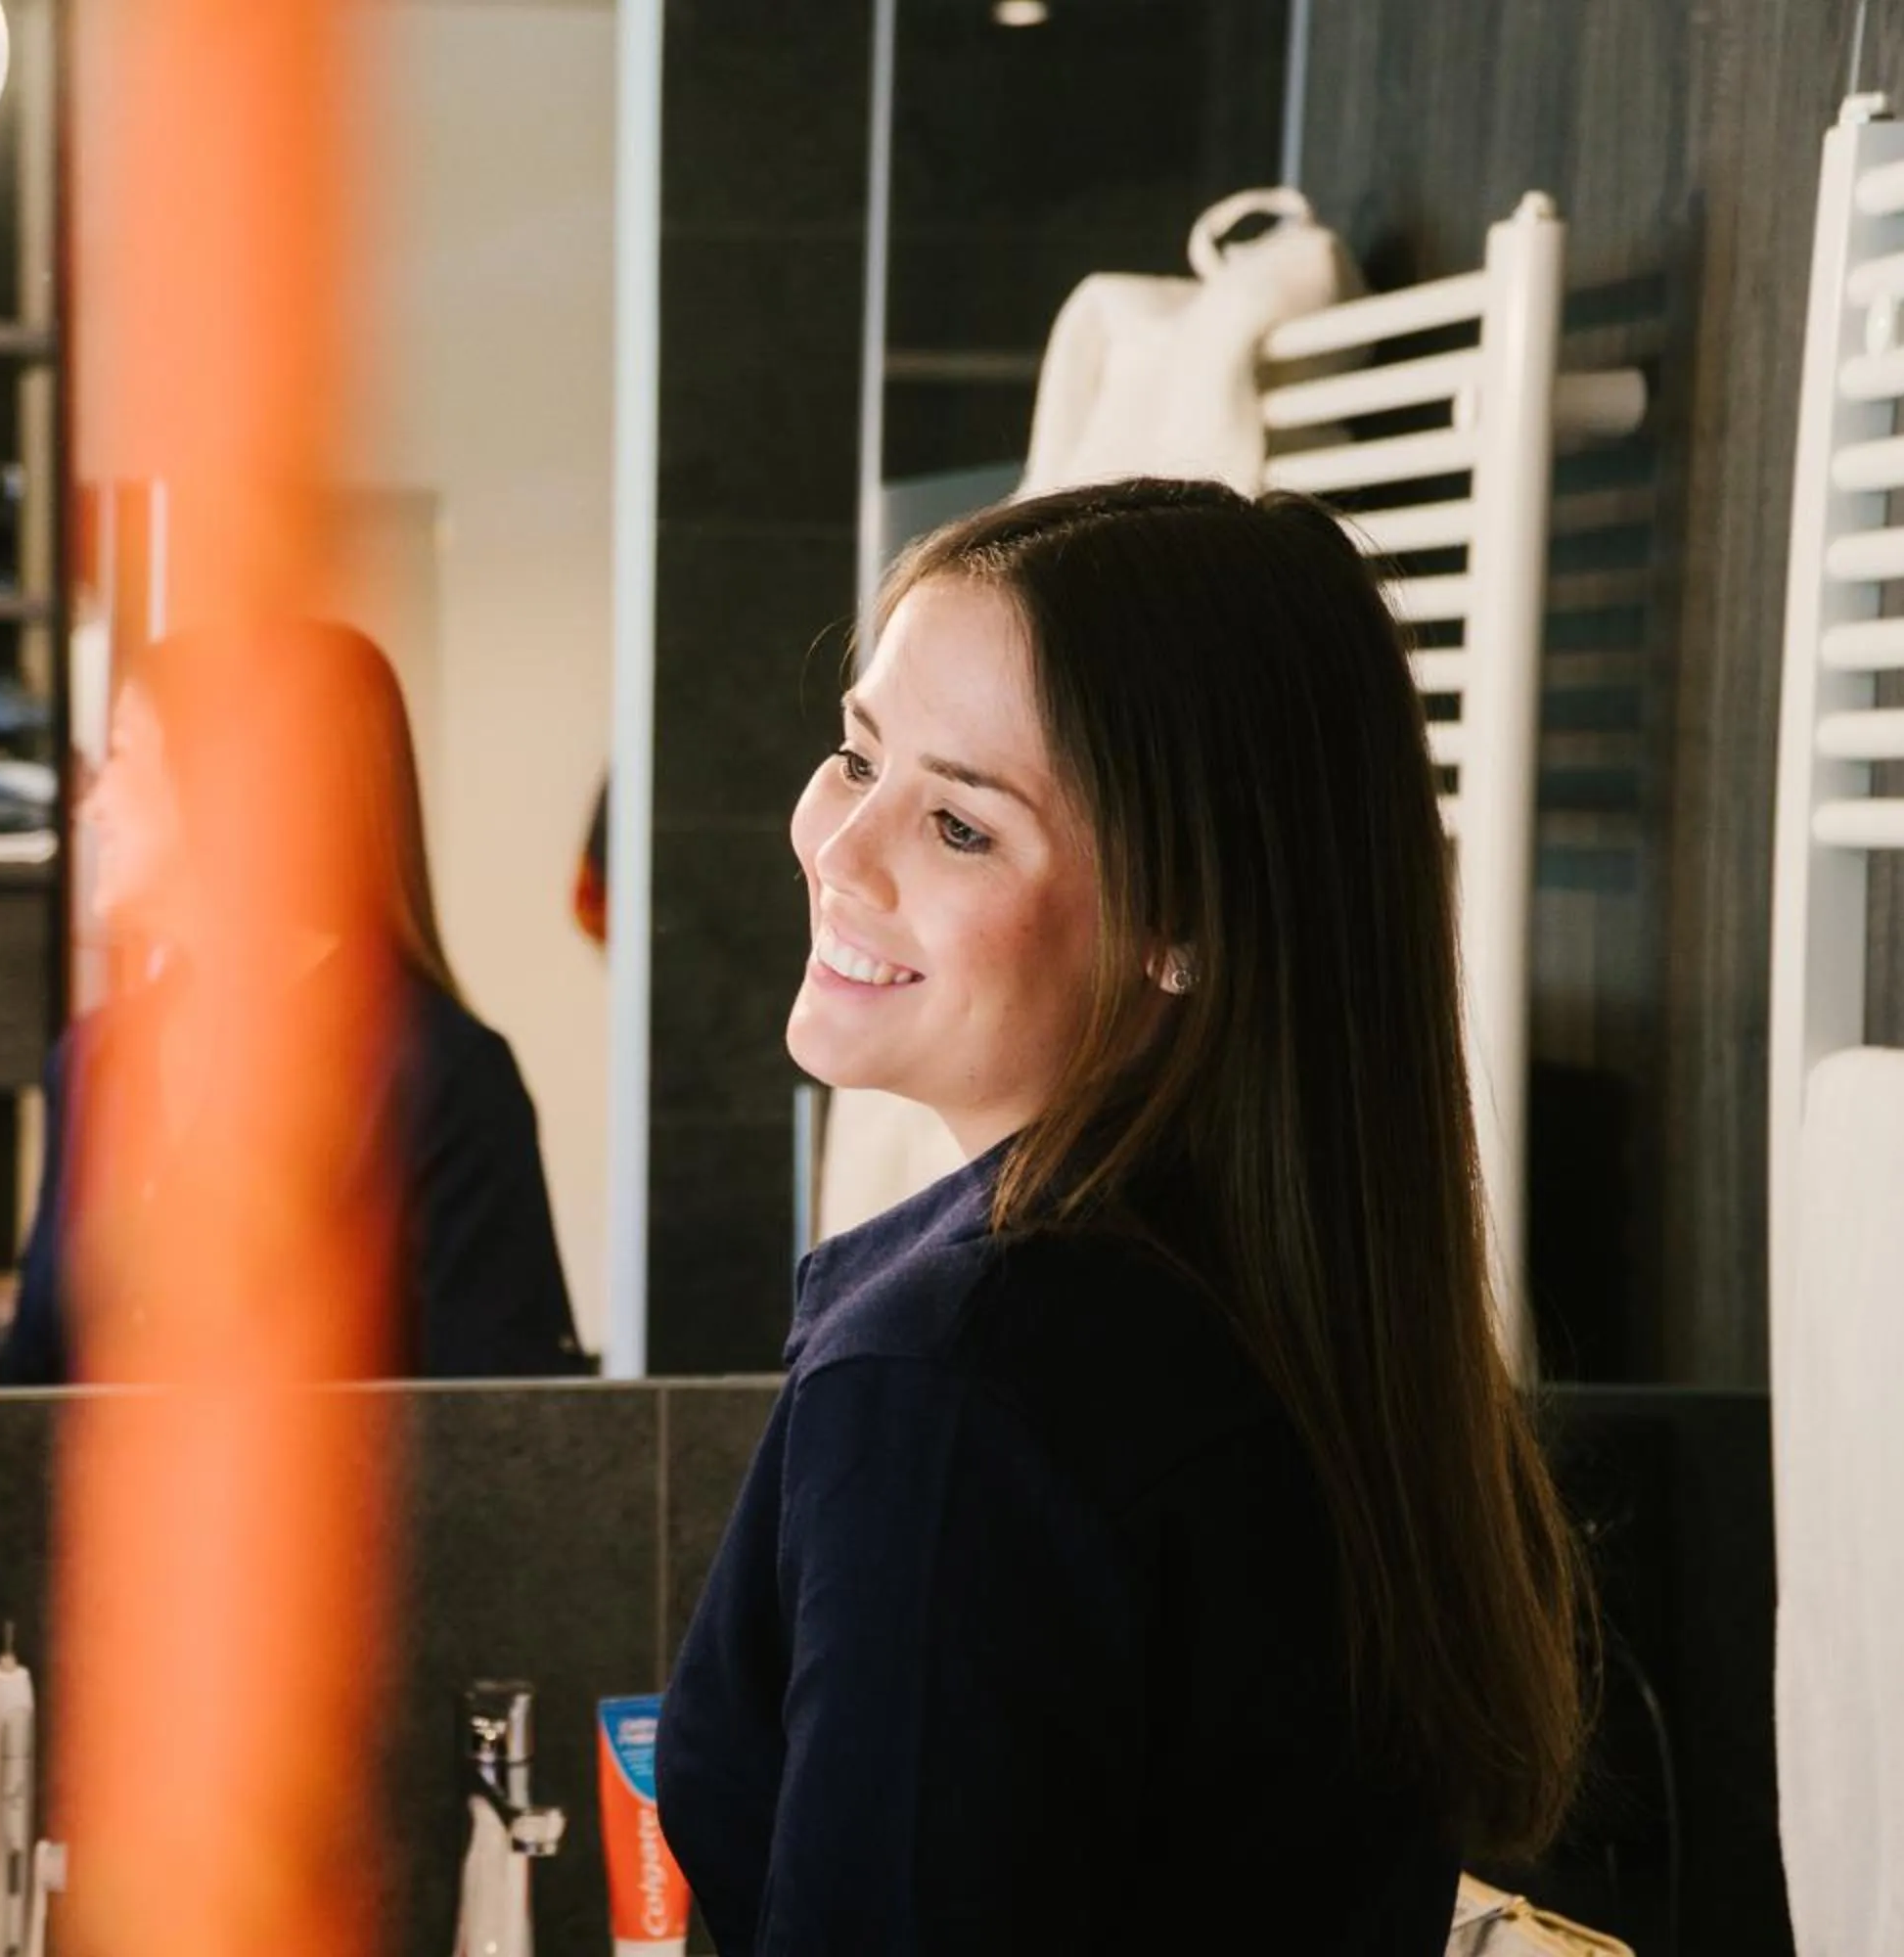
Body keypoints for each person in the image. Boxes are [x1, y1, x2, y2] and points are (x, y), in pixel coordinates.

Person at [656, 479, 1590, 1951]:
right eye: (857, 756)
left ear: (1181, 931)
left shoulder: (959, 1387)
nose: (841, 847)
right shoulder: (1282, 1295)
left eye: (962, 826)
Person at [0, 621, 586, 1384]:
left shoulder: (444, 1081)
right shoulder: (94, 1062)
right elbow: (29, 1401)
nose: (91, 805)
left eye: (118, 756)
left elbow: (502, 1439)